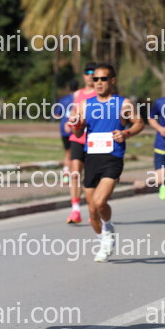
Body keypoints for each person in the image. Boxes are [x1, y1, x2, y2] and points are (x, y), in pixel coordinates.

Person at [68, 63, 144, 262]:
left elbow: (139, 123)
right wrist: (75, 124)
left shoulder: (123, 103)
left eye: (104, 78)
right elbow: (78, 133)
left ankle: (108, 228)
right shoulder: (85, 105)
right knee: (92, 211)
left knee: (100, 202)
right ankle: (102, 239)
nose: (99, 82)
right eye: (96, 79)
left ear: (113, 81)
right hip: (91, 158)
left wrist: (126, 133)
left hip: (113, 158)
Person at [65, 63, 97, 224]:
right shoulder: (78, 94)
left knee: (92, 177)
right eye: (87, 72)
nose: (90, 75)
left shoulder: (101, 93)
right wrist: (69, 121)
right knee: (75, 173)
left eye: (93, 73)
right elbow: (74, 111)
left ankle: (93, 209)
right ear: (83, 75)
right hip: (77, 138)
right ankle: (75, 210)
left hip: (94, 140)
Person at [55, 80, 78, 184]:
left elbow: (57, 115)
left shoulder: (63, 100)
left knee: (67, 153)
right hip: (76, 129)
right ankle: (74, 176)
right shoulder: (80, 98)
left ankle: (65, 176)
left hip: (64, 130)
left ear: (69, 88)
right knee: (76, 155)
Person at [148, 95, 165, 199]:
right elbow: (151, 118)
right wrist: (160, 128)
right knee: (159, 179)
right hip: (161, 146)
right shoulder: (160, 102)